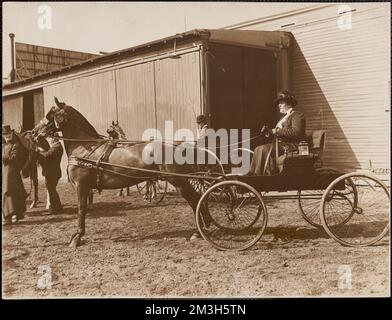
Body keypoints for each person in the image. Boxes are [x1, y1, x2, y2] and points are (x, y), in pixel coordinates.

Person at [248, 90, 306, 176]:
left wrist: (277, 131)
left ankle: (263, 175)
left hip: (293, 146)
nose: (279, 105)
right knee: (258, 149)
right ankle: (254, 174)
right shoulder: (285, 117)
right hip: (282, 145)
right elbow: (280, 133)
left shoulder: (297, 115)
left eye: (281, 103)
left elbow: (296, 132)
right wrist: (270, 132)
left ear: (289, 104)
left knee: (264, 149)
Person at [2, 125, 28, 225]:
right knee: (7, 193)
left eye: (8, 134)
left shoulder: (16, 145)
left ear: (12, 134)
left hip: (12, 173)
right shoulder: (4, 146)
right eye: (5, 134)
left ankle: (12, 215)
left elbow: (15, 158)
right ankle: (9, 215)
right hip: (5, 174)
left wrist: (4, 158)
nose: (7, 136)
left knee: (11, 193)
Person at [35, 134, 64, 214]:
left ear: (54, 139)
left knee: (51, 190)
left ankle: (53, 209)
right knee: (52, 190)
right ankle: (58, 207)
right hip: (52, 172)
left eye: (50, 138)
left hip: (52, 173)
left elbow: (46, 156)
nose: (49, 140)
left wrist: (39, 150)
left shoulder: (56, 147)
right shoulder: (56, 146)